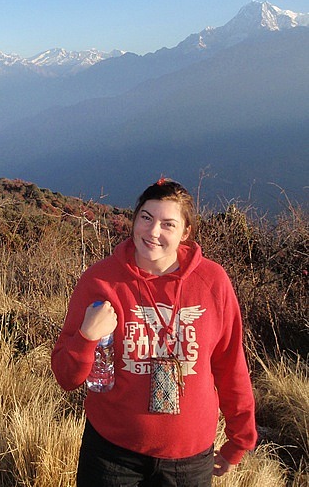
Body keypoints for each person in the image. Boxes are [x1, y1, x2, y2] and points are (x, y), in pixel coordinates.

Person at [51, 178, 257, 486]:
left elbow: (230, 366)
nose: (153, 232)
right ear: (134, 218)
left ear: (186, 232)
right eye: (146, 218)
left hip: (189, 460)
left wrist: (240, 439)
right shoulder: (101, 280)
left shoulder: (212, 282)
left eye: (168, 224)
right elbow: (67, 378)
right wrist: (86, 336)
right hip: (111, 453)